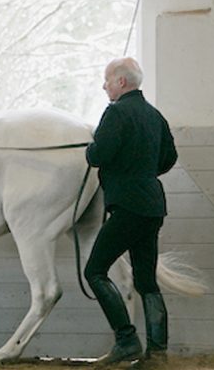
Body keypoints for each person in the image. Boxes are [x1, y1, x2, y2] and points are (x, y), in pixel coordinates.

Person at [84, 57, 178, 367]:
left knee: (95, 271)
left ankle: (126, 340)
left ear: (121, 82)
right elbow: (169, 158)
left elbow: (99, 155)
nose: (104, 86)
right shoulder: (155, 115)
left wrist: (91, 149)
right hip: (152, 206)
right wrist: (142, 171)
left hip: (127, 206)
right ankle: (158, 352)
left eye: (107, 80)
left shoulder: (116, 113)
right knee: (146, 281)